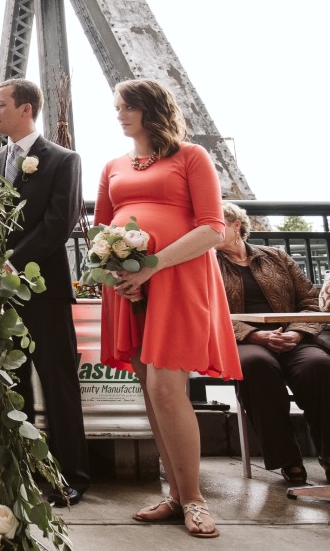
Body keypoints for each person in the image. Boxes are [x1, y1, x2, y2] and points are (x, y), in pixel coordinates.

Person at [95, 78, 241, 539]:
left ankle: (196, 500)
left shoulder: (191, 157)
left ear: (149, 108)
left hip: (177, 279)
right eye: (117, 107)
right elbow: (100, 228)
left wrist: (151, 265)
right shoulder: (114, 165)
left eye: (126, 107)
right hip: (130, 289)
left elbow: (214, 229)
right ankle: (176, 496)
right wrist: (122, 275)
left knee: (165, 387)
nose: (119, 114)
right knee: (150, 389)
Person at [0, 79, 90, 505]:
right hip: (1, 294)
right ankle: (23, 471)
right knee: (14, 385)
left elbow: (59, 223)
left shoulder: (62, 160)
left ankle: (72, 475)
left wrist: (11, 262)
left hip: (44, 290)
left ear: (26, 109)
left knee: (58, 382)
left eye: (0, 104)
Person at [215, 202, 330, 484]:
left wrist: (297, 333)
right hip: (242, 341)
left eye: (215, 224)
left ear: (235, 226)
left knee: (319, 365)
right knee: (257, 365)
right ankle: (287, 458)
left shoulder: (276, 256)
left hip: (292, 337)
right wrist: (253, 335)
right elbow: (206, 311)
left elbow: (310, 303)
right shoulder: (206, 265)